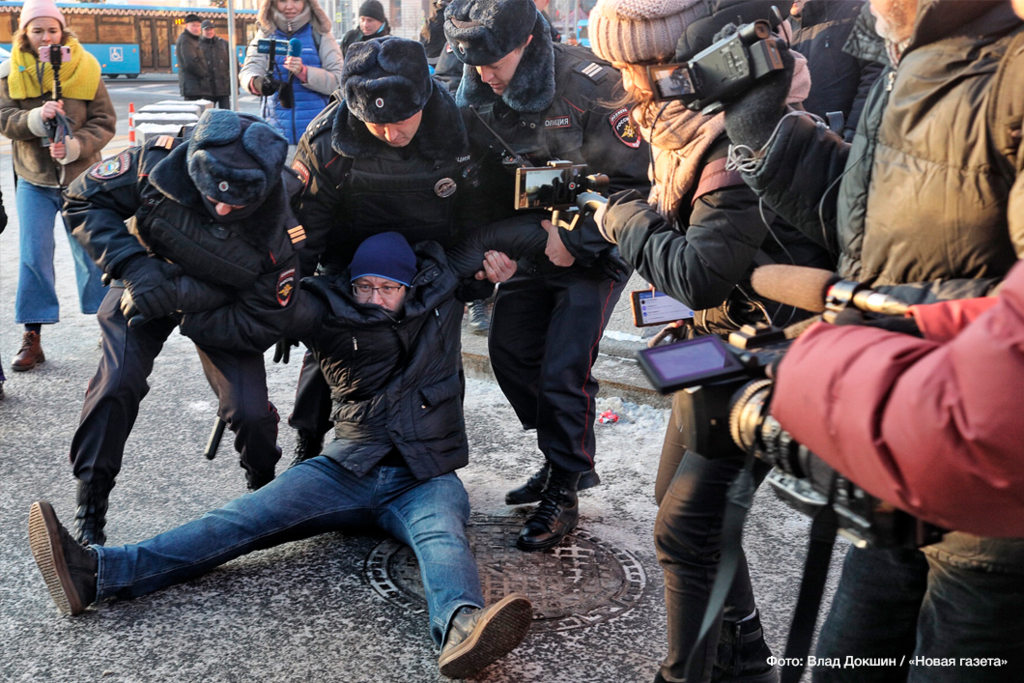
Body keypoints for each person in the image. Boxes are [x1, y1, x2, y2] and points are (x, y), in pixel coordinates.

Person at [28, 232, 534, 681]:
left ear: (411, 287)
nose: (375, 299)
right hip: (347, 468)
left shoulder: (440, 301)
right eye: (365, 286)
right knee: (239, 520)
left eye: (388, 288)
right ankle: (99, 573)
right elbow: (262, 308)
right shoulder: (328, 310)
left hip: (426, 475)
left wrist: (497, 273)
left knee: (443, 539)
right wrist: (175, 289)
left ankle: (462, 629)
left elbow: (498, 244)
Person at [721, 0, 1024, 679]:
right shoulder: (909, 45)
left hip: (992, 525)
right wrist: (770, 133)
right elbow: (876, 227)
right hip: (895, 480)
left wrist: (843, 359)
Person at [559, 1, 833, 681]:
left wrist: (619, 218)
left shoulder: (734, 133)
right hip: (716, 341)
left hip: (774, 345)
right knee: (675, 502)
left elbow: (700, 271)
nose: (623, 81)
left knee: (684, 529)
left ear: (668, 63)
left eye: (631, 64)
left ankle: (689, 673)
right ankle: (742, 656)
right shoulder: (676, 121)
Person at [443, 0, 651, 551]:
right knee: (511, 352)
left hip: (596, 243)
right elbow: (478, 186)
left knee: (564, 365)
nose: (485, 74)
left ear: (527, 43)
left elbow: (639, 186)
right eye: (476, 64)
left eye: (496, 62)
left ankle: (565, 483)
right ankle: (564, 456)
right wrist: (491, 256)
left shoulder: (591, 85)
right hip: (527, 244)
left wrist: (576, 237)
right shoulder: (476, 89)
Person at [62, 109, 303, 547]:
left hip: (220, 308)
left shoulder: (282, 231)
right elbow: (82, 199)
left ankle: (263, 490)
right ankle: (90, 506)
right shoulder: (154, 163)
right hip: (142, 277)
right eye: (215, 196)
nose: (225, 208)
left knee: (249, 410)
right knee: (116, 384)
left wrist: (181, 297)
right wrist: (131, 266)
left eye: (239, 202)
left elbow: (259, 322)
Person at [287, 36, 527, 465]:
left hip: (436, 257)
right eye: (376, 125)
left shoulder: (463, 132)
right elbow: (307, 228)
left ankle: (435, 450)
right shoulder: (327, 141)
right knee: (332, 351)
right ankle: (309, 440)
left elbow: (480, 214)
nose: (390, 133)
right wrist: (295, 297)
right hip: (351, 258)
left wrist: (478, 277)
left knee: (436, 355)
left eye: (402, 120)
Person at [769, 257, 1024, 539]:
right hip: (910, 483)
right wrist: (924, 320)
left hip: (959, 508)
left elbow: (979, 435)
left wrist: (814, 363)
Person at [0, 0, 115, 373]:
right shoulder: (9, 73)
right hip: (33, 179)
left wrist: (77, 145)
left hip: (83, 181)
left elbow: (104, 120)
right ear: (25, 34)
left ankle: (109, 326)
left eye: (51, 29)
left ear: (62, 32)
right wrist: (35, 117)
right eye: (37, 30)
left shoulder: (87, 67)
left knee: (93, 254)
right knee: (33, 256)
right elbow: (4, 117)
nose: (45, 36)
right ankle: (33, 336)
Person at [239, 0, 344, 145]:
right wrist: (256, 82)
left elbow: (339, 80)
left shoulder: (320, 34)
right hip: (275, 135)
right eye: (282, 0)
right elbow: (248, 70)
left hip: (316, 136)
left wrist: (305, 73)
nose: (289, 6)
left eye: (296, 0)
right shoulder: (265, 34)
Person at [788, 0, 882, 140]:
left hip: (846, 143)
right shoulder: (778, 28)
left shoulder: (858, 11)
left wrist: (854, 133)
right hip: (799, 147)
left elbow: (877, 74)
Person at [176, 13, 210, 102]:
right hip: (192, 86)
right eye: (193, 25)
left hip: (196, 86)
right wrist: (205, 74)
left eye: (198, 26)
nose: (196, 28)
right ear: (187, 26)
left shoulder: (194, 39)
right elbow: (191, 62)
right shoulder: (185, 40)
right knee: (193, 112)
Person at [199, 20, 231, 109]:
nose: (209, 32)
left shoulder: (223, 43)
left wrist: (235, 83)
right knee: (209, 117)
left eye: (211, 29)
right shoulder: (197, 45)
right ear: (202, 31)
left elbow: (232, 63)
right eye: (206, 30)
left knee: (225, 116)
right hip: (206, 89)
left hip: (223, 87)